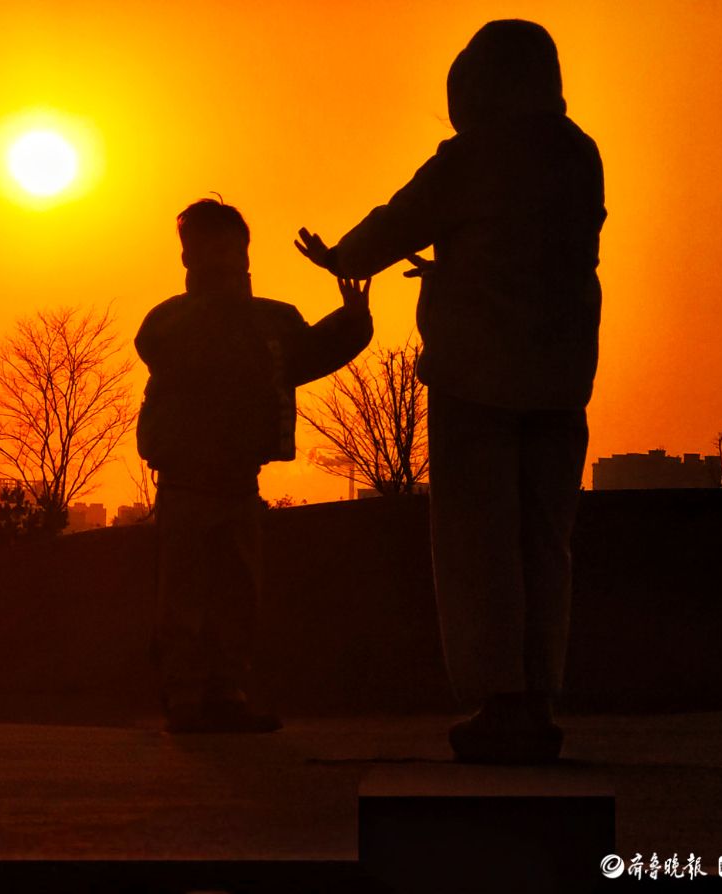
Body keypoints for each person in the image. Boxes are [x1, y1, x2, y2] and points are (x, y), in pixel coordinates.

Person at [296, 19, 606, 762]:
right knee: (544, 543)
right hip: (562, 376)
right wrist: (462, 268)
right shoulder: (578, 153)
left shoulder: (472, 156)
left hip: (476, 380)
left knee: (479, 545)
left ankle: (499, 701)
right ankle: (538, 696)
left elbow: (398, 223)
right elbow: (543, 248)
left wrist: (339, 256)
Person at [137, 198, 373, 733]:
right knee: (185, 597)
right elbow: (158, 346)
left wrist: (354, 322)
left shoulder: (272, 319)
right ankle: (186, 696)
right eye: (205, 249)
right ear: (186, 258)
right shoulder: (171, 319)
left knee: (237, 597)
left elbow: (310, 354)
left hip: (241, 483)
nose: (219, 259)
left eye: (227, 247)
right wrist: (215, 304)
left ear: (244, 252)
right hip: (186, 482)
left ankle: (225, 694)